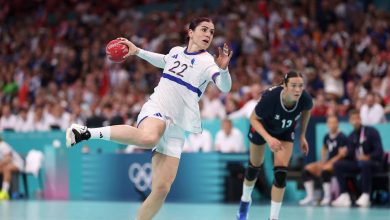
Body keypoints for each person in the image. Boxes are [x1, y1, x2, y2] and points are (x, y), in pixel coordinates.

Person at [66, 17, 233, 220]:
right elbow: (163, 60)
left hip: (177, 126)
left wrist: (223, 70)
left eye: (212, 32)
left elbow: (225, 86)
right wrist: (138, 52)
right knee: (149, 138)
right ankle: (84, 132)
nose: (208, 34)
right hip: (158, 108)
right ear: (190, 32)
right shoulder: (176, 52)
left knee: (161, 190)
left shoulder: (208, 62)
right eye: (204, 29)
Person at [236, 71, 313, 220]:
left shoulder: (305, 99)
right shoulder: (270, 98)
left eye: (300, 86)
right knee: (254, 167)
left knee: (280, 175)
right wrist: (269, 138)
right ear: (284, 85)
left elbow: (307, 111)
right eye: (293, 86)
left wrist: (302, 135)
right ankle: (245, 201)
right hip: (262, 128)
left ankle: (273, 217)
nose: (297, 90)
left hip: (284, 132)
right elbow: (253, 119)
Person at [331, 109, 384, 207]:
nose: (355, 121)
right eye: (353, 119)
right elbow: (351, 155)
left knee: (364, 164)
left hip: (374, 163)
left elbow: (379, 151)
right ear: (350, 121)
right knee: (338, 165)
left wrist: (368, 157)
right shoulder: (351, 136)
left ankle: (366, 195)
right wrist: (344, 153)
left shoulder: (371, 131)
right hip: (358, 163)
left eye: (357, 118)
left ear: (360, 119)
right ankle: (344, 195)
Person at [299, 115, 348, 206]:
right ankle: (310, 196)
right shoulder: (326, 136)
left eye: (334, 122)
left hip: (339, 163)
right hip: (328, 161)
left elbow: (341, 155)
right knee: (307, 169)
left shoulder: (342, 137)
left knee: (325, 170)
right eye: (330, 123)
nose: (332, 125)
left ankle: (327, 197)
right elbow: (324, 148)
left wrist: (328, 163)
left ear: (337, 124)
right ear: (327, 124)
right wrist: (323, 160)